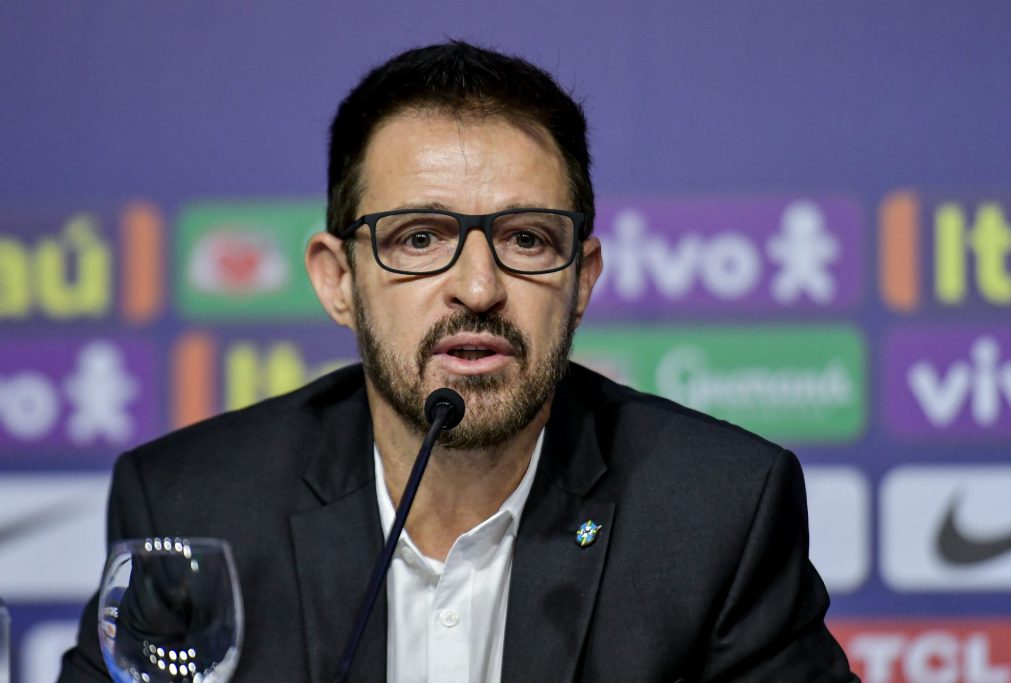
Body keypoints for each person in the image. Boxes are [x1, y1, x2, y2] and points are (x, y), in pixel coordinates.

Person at [59, 41, 858, 682]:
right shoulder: (192, 507)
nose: (478, 288)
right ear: (339, 279)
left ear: (581, 281)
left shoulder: (714, 513)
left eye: (527, 239)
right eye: (419, 238)